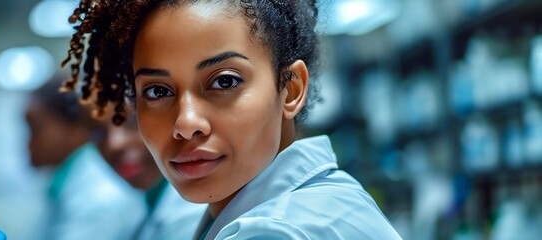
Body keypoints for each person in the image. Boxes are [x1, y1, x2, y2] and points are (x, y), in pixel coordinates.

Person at [60, 0, 403, 239]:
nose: (186, 123)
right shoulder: (311, 202)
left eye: (225, 81)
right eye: (158, 92)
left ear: (291, 89)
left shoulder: (276, 231)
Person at [25, 81, 143, 240]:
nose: (28, 144)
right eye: (100, 132)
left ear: (76, 128)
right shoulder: (65, 183)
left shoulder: (98, 196)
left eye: (35, 130)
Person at [94, 112, 206, 240]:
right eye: (98, 133)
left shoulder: (191, 214)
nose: (115, 144)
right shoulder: (142, 212)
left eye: (133, 121)